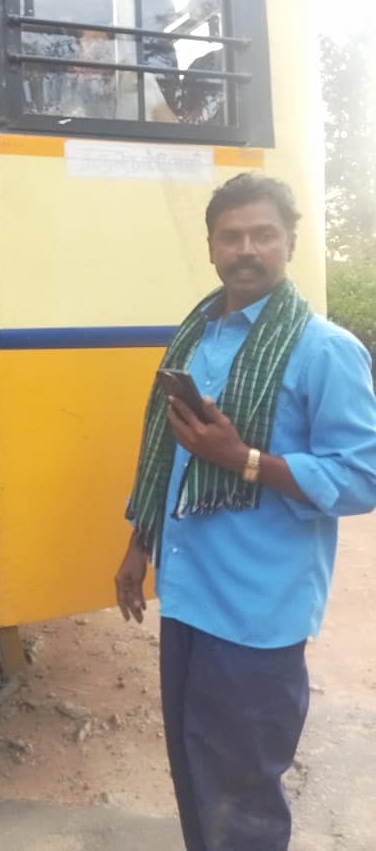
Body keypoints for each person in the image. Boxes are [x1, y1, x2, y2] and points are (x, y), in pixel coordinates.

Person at [115, 173, 376, 851]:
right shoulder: (198, 338)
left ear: (291, 242)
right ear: (211, 248)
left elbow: (363, 475)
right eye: (231, 236)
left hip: (258, 614)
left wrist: (246, 460)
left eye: (263, 234)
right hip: (188, 597)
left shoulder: (324, 349)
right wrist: (139, 545)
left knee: (243, 794)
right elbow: (169, 458)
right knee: (195, 772)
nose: (247, 249)